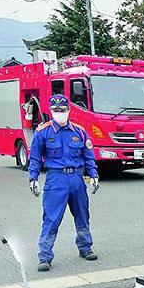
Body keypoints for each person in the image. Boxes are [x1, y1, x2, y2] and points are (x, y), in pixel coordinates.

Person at [28, 94, 100, 272]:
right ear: (51, 111)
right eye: (56, 110)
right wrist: (33, 178)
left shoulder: (79, 131)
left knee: (82, 214)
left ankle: (85, 248)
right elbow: (35, 158)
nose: (60, 113)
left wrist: (94, 175)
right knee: (51, 218)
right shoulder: (42, 132)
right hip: (56, 179)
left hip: (76, 178)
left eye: (63, 110)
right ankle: (45, 256)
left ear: (68, 110)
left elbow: (88, 156)